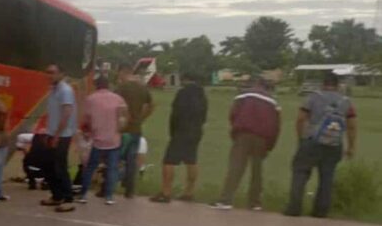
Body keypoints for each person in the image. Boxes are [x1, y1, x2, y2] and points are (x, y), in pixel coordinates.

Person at [284, 71, 357, 218]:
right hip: (334, 144)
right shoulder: (346, 102)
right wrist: (351, 146)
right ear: (337, 86)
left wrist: (301, 138)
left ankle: (294, 208)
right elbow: (352, 126)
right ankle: (320, 212)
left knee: (300, 173)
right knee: (327, 178)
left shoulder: (313, 98)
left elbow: (300, 119)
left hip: (311, 141)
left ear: (323, 84)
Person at [213, 77, 280, 210]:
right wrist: (270, 145)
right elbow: (276, 126)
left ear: (256, 83)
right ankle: (255, 202)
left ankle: (226, 200)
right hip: (262, 138)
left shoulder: (243, 95)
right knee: (257, 170)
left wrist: (235, 131)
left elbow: (233, 114)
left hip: (243, 134)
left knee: (236, 167)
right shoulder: (273, 102)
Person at [150, 73, 208, 203]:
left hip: (181, 130)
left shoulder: (182, 93)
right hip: (196, 131)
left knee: (169, 161)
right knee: (191, 160)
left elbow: (175, 114)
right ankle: (189, 192)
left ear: (184, 79)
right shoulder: (202, 94)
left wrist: (173, 131)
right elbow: (204, 115)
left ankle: (166, 192)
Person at [76, 75, 128, 205]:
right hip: (113, 139)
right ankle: (109, 196)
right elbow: (123, 117)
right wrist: (119, 130)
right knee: (112, 168)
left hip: (97, 140)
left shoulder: (91, 99)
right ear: (108, 85)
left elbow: (86, 120)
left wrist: (87, 131)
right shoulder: (118, 99)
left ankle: (83, 195)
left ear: (96, 85)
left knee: (90, 167)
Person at [41, 63, 77, 212]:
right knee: (47, 165)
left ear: (61, 74)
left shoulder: (65, 90)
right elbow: (53, 114)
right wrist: (48, 132)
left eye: (52, 72)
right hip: (52, 133)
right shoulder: (52, 90)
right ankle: (57, 196)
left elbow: (67, 113)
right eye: (47, 72)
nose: (49, 75)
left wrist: (56, 135)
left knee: (60, 166)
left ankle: (68, 198)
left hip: (62, 135)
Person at [116, 63, 154, 198]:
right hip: (136, 128)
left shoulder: (121, 88)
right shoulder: (142, 88)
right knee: (132, 160)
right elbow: (151, 105)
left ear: (122, 72)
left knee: (115, 157)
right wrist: (141, 118)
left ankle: (108, 186)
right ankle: (130, 190)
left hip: (123, 129)